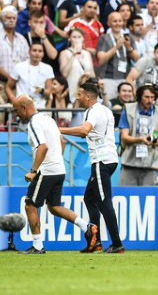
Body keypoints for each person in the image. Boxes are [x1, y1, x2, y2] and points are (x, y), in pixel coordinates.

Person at [12, 95, 98, 254]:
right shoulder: (48, 119)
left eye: (17, 110)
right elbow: (62, 141)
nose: (17, 114)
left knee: (30, 205)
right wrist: (57, 160)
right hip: (59, 169)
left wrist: (33, 171)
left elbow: (42, 147)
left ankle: (38, 246)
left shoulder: (34, 123)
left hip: (46, 170)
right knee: (54, 206)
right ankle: (87, 227)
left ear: (24, 108)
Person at [59, 82, 124, 253]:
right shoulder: (105, 110)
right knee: (89, 198)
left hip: (102, 161)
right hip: (107, 159)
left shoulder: (93, 111)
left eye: (79, 94)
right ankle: (96, 242)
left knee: (104, 202)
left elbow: (84, 130)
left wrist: (58, 129)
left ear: (88, 96)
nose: (77, 97)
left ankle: (117, 244)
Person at [118, 84, 158, 185]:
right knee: (126, 195)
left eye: (152, 97)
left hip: (151, 164)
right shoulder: (128, 109)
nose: (150, 100)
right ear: (139, 97)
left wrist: (157, 141)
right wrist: (141, 140)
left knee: (149, 197)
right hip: (129, 162)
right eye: (146, 97)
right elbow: (124, 137)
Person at [5, 42, 54, 108]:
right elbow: (8, 87)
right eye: (34, 50)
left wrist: (41, 90)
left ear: (43, 54)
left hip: (40, 107)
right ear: (29, 52)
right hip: (22, 108)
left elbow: (48, 92)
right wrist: (14, 100)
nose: (37, 53)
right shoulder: (19, 67)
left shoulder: (48, 68)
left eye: (40, 51)